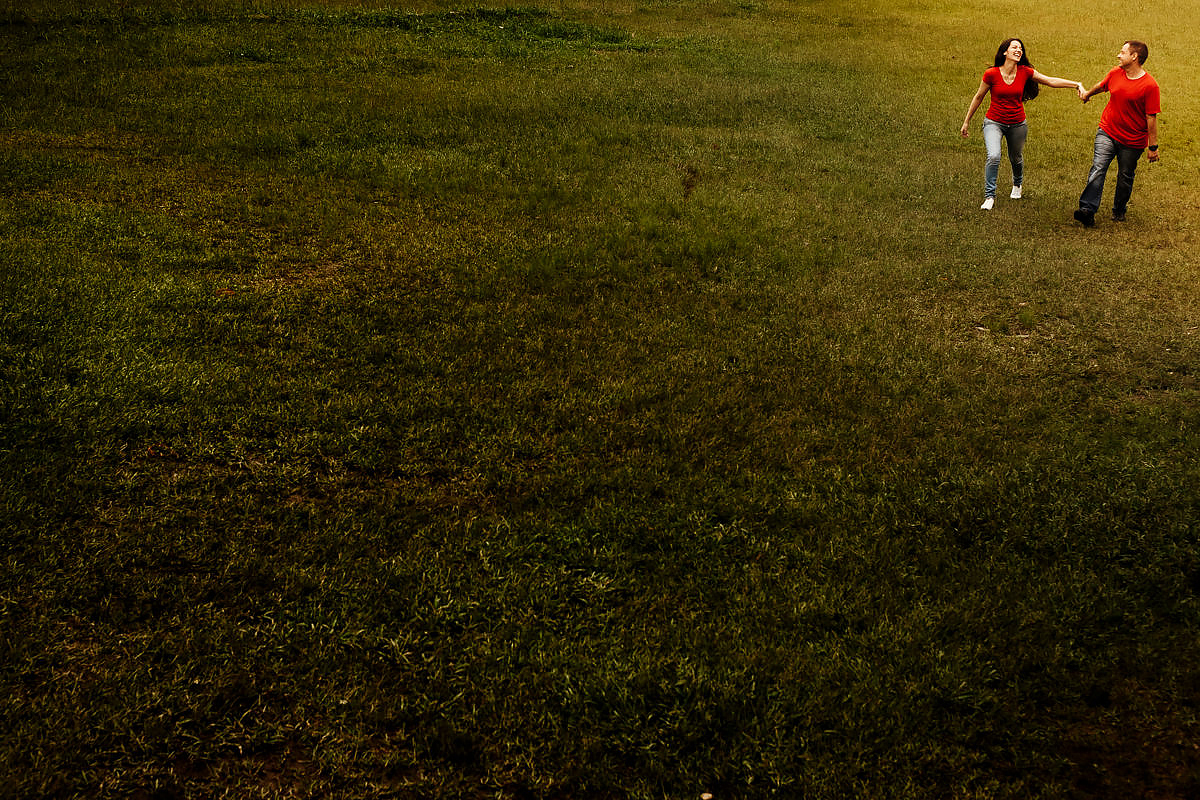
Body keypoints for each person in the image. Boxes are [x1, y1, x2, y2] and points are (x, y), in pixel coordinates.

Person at [961, 38, 1084, 210]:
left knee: (1016, 158)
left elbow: (1050, 81)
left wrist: (1076, 84)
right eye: (1014, 47)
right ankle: (989, 196)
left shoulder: (1025, 72)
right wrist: (966, 122)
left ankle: (1017, 185)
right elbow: (978, 97)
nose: (1018, 50)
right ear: (1005, 52)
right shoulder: (991, 74)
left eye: (1020, 48)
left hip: (1017, 124)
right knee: (994, 156)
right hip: (994, 122)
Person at [1073, 40, 1160, 226]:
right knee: (1098, 167)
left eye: (1122, 52)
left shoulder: (1150, 86)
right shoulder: (1116, 73)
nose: (1118, 55)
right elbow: (1102, 85)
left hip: (1132, 140)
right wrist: (1087, 94)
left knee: (1125, 176)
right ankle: (1087, 209)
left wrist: (1153, 147)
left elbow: (1151, 118)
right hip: (1108, 131)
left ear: (1134, 57)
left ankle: (1119, 210)